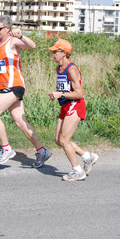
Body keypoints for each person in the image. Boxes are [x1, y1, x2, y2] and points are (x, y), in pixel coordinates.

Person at [0, 15, 51, 167]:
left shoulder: (13, 41)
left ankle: (7, 149)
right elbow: (0, 65)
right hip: (5, 86)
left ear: (7, 29)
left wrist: (22, 36)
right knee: (20, 121)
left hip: (14, 85)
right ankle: (41, 151)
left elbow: (32, 46)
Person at [48, 39, 98, 181]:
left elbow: (79, 93)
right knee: (59, 140)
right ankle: (88, 157)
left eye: (54, 52)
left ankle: (77, 171)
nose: (52, 55)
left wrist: (61, 94)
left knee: (65, 140)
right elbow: (64, 88)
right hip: (65, 105)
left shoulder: (71, 69)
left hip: (75, 105)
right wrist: (56, 94)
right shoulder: (59, 69)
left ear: (64, 53)